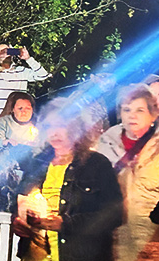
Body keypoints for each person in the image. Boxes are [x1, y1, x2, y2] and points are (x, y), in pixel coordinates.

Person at [12, 97, 123, 261]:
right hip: (37, 254)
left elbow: (115, 214)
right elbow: (19, 201)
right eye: (49, 126)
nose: (54, 132)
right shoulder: (37, 163)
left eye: (61, 125)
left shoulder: (96, 164)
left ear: (76, 126)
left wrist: (66, 223)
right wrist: (17, 220)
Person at [95, 84, 159, 260]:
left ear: (152, 114)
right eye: (127, 109)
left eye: (140, 110)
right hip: (113, 242)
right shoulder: (106, 143)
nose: (132, 115)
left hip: (151, 244)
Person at [0, 92, 40, 211]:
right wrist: (5, 142)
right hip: (9, 160)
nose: (24, 112)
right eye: (20, 108)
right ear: (13, 109)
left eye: (27, 108)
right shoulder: (4, 122)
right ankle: (3, 200)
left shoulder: (37, 125)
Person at [0, 43, 49, 119]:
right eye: (3, 51)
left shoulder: (21, 71)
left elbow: (43, 75)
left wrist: (28, 58)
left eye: (8, 51)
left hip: (18, 119)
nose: (6, 54)